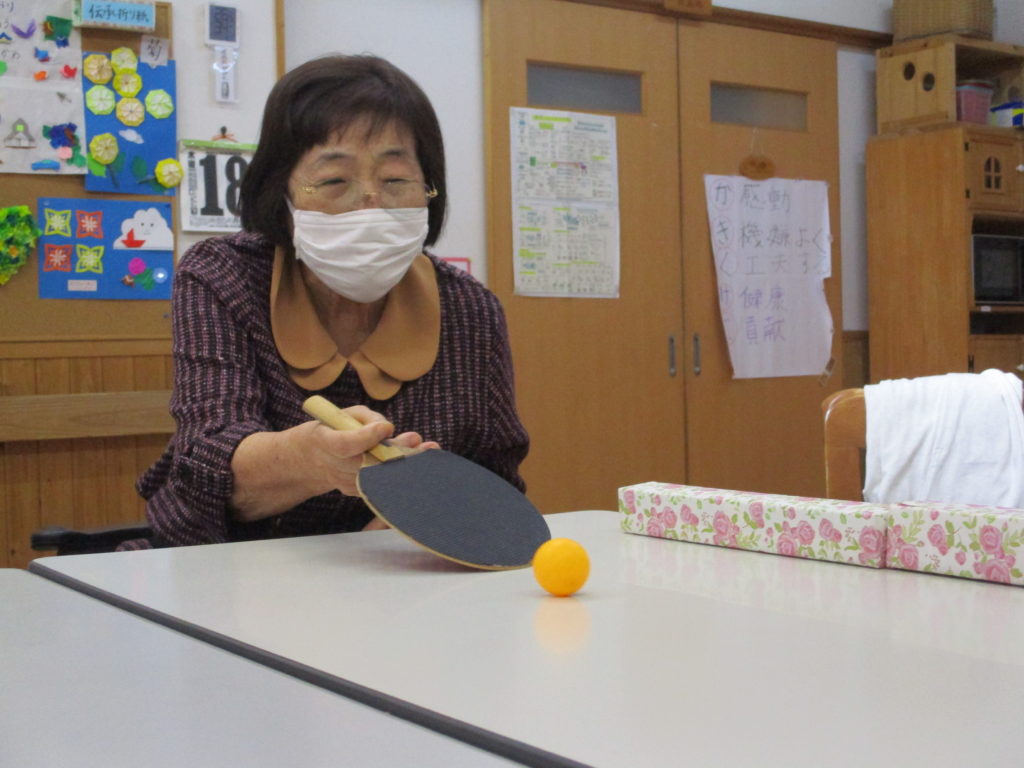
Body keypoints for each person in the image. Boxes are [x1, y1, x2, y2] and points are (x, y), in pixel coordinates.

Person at [126, 55, 528, 548]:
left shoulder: (470, 310)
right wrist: (313, 459)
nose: (371, 203)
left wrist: (428, 521)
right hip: (223, 569)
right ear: (281, 191)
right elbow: (206, 464)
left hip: (402, 579)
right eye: (335, 181)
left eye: (396, 180)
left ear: (429, 189)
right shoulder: (223, 276)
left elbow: (495, 484)